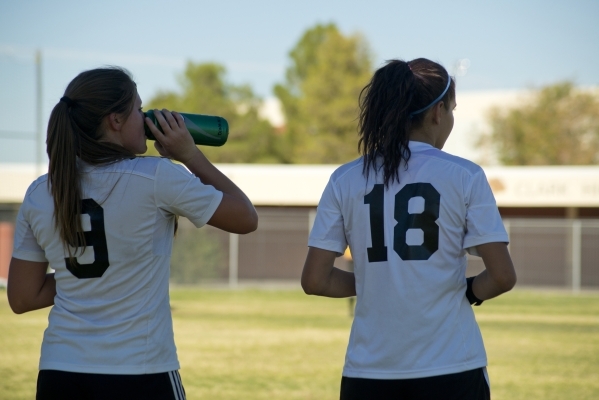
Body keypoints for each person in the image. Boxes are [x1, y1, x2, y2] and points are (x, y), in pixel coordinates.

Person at [7, 67, 258, 400]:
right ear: (115, 120)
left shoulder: (41, 191)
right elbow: (245, 217)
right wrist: (190, 155)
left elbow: (22, 298)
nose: (146, 119)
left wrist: (83, 276)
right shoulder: (156, 176)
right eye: (139, 110)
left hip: (61, 373)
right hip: (139, 373)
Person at [301, 58, 517, 400]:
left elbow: (315, 280)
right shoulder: (465, 175)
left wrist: (381, 282)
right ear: (437, 112)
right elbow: (502, 276)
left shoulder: (345, 178)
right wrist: (471, 291)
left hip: (368, 374)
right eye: (452, 109)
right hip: (452, 369)